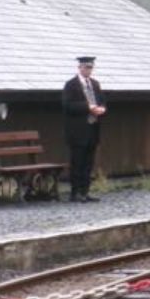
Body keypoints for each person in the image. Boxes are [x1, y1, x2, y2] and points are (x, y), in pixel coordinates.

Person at [62, 56, 107, 202]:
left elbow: (102, 101)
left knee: (88, 163)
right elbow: (67, 106)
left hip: (93, 129)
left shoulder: (95, 84)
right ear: (80, 68)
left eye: (90, 67)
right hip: (77, 131)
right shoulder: (71, 85)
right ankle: (75, 193)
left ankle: (85, 191)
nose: (88, 70)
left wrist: (101, 109)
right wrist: (87, 107)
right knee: (77, 163)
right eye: (86, 67)